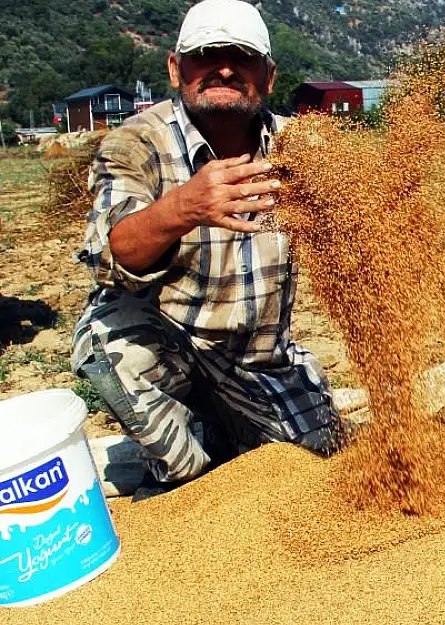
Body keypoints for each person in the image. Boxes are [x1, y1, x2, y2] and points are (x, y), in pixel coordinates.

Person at [71, 0, 341, 500]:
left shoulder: (300, 148)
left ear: (269, 75)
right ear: (176, 68)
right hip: (170, 347)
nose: (223, 68)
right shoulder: (136, 143)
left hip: (258, 359)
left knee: (320, 457)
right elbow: (113, 257)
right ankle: (185, 469)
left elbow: (359, 223)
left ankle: (224, 430)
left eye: (241, 57)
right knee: (115, 349)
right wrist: (182, 208)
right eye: (206, 55)